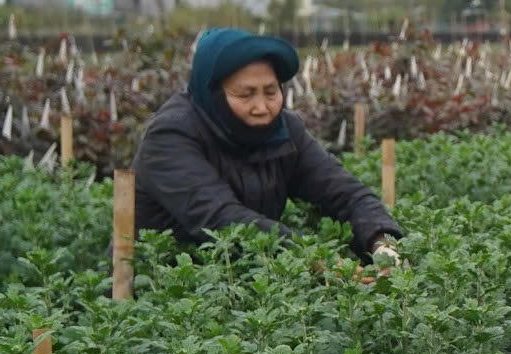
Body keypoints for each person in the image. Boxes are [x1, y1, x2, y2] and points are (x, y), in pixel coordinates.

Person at [135, 28, 403, 264]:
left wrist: (382, 243)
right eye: (246, 94)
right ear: (213, 93)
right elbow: (221, 219)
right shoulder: (170, 136)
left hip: (251, 277)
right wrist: (318, 260)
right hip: (165, 286)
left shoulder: (285, 130)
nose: (262, 108)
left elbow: (343, 192)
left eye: (271, 92)